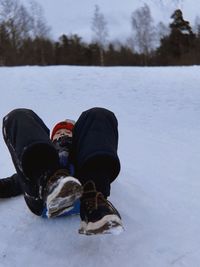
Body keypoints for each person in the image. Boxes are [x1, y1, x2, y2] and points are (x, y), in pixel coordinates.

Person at [0, 107, 123, 235]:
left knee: (99, 114)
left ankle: (95, 203)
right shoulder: (44, 156)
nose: (63, 134)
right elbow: (15, 183)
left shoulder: (83, 157)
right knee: (18, 116)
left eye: (68, 132)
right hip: (44, 198)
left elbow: (98, 162)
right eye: (59, 132)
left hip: (84, 196)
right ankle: (52, 184)